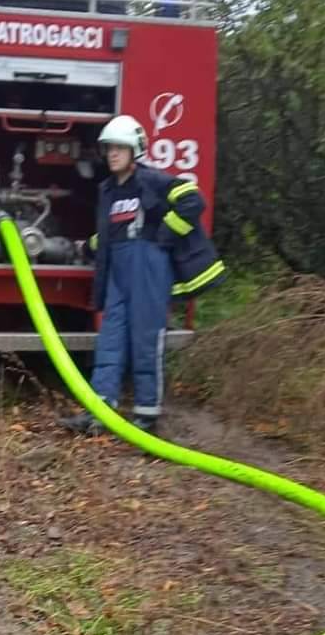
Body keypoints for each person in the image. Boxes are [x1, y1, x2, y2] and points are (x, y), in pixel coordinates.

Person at [63, 114, 225, 435]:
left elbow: (194, 202)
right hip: (118, 273)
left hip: (149, 268)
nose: (112, 154)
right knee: (109, 342)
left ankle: (147, 414)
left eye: (119, 149)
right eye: (109, 148)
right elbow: (112, 233)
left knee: (145, 341)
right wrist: (86, 247)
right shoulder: (108, 190)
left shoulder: (151, 180)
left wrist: (165, 235)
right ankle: (99, 410)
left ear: (134, 150)